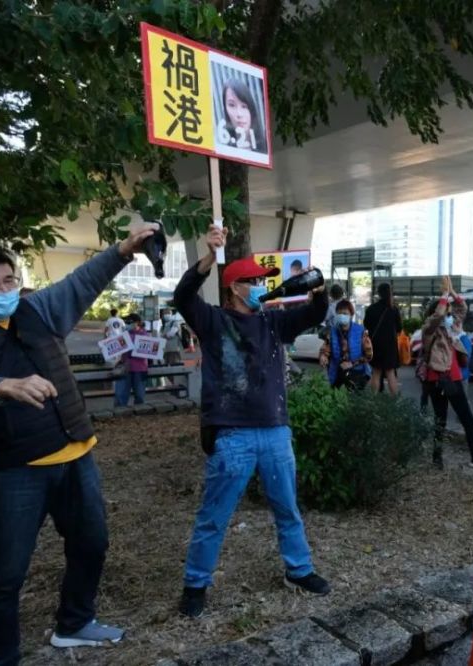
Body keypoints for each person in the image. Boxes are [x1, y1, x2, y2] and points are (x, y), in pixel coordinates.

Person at [0, 224, 159, 664]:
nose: (3, 288)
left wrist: (124, 250)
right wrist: (3, 385)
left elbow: (82, 281)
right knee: (6, 571)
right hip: (13, 468)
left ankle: (73, 623)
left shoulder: (38, 310)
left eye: (8, 279)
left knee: (91, 544)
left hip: (76, 454)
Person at [174, 225, 331, 618]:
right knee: (214, 515)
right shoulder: (211, 321)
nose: (261, 286)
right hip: (232, 434)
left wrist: (319, 290)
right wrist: (209, 256)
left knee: (287, 508)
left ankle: (300, 569)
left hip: (276, 430)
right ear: (234, 288)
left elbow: (314, 312)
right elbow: (183, 296)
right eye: (253, 281)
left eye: (263, 280)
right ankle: (196, 583)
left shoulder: (273, 321)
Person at [419, 277, 473, 470]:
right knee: (440, 420)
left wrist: (452, 293)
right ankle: (437, 459)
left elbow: (463, 309)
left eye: (450, 314)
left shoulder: (451, 329)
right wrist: (444, 297)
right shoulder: (429, 330)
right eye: (447, 313)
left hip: (454, 379)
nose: (450, 316)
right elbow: (436, 318)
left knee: (467, 419)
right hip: (438, 380)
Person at [319, 299, 373, 390]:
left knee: (354, 399)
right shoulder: (332, 332)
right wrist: (323, 356)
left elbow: (369, 355)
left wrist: (352, 363)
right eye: (339, 313)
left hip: (356, 373)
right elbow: (325, 349)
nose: (341, 316)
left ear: (351, 315)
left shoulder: (360, 331)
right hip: (336, 373)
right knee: (336, 399)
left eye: (345, 313)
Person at [363, 282, 402, 395]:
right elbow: (399, 328)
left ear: (378, 293)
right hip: (390, 346)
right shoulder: (393, 309)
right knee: (390, 373)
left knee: (376, 372)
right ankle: (395, 402)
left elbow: (366, 325)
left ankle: (374, 399)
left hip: (376, 345)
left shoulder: (371, 309)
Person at [217, 80, 266, 152]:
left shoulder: (264, 146)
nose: (239, 114)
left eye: (244, 106)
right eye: (232, 105)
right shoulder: (222, 146)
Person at [114, 314, 149, 407]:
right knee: (120, 395)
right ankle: (120, 414)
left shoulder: (145, 335)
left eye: (129, 322)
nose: (127, 324)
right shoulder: (125, 334)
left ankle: (139, 415)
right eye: (126, 322)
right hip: (125, 369)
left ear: (137, 323)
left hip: (140, 369)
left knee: (140, 396)